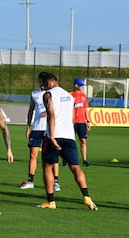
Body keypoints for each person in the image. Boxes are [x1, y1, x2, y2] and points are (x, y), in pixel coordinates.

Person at [37, 73, 97, 210]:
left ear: (51, 81)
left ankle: (51, 201)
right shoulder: (69, 97)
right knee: (75, 167)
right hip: (69, 136)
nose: (41, 86)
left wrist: (52, 136)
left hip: (53, 135)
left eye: (43, 82)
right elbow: (72, 118)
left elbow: (51, 116)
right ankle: (86, 197)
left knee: (47, 167)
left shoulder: (48, 95)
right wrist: (70, 133)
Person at [21, 72, 61, 191]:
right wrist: (28, 126)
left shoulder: (53, 93)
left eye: (41, 81)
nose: (40, 83)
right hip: (37, 129)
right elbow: (31, 110)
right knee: (33, 155)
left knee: (52, 157)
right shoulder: (34, 94)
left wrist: (48, 112)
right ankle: (30, 180)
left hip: (50, 129)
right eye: (38, 81)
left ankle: (56, 181)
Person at [70, 77, 91, 167]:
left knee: (83, 141)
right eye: (81, 85)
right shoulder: (70, 95)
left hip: (82, 122)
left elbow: (86, 109)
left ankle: (84, 160)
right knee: (70, 141)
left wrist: (88, 121)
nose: (82, 87)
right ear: (76, 85)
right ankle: (66, 159)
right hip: (72, 122)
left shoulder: (83, 96)